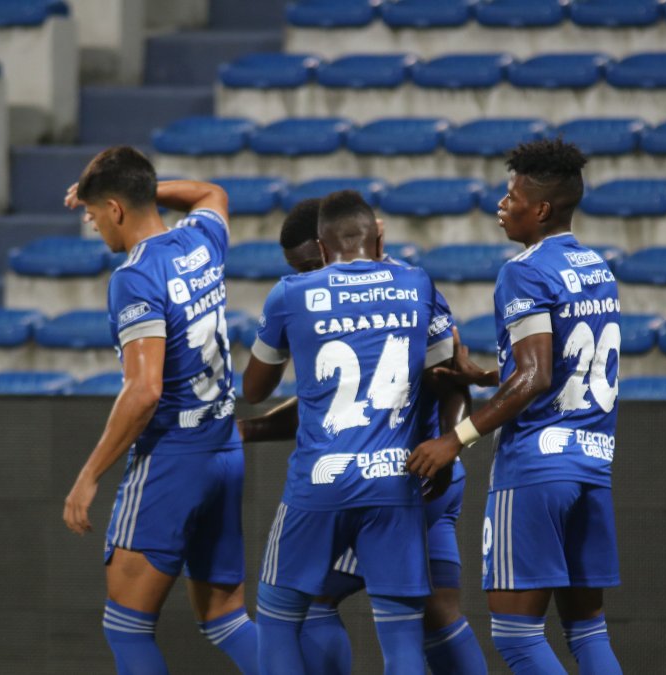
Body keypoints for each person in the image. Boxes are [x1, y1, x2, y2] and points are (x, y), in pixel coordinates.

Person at [238, 197, 487, 675]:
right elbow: (450, 375)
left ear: (323, 246)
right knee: (427, 617)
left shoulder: (293, 293)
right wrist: (454, 448)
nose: (310, 269)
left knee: (289, 610)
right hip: (412, 473)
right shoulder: (417, 283)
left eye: (312, 261)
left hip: (331, 480)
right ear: (375, 233)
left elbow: (256, 389)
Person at [407, 139, 624, 675]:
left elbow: (536, 375)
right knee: (588, 630)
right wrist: (483, 376)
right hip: (592, 461)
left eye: (512, 196)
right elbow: (558, 365)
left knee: (517, 637)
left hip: (535, 470)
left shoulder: (523, 271)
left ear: (542, 209)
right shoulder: (596, 266)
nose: (502, 205)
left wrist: (452, 439)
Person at [60, 147, 257, 675]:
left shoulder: (135, 277)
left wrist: (89, 474)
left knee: (126, 624)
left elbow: (144, 391)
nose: (92, 221)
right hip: (223, 449)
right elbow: (211, 193)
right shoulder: (200, 239)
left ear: (116, 210)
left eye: (94, 211)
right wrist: (140, 189)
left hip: (172, 459)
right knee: (225, 617)